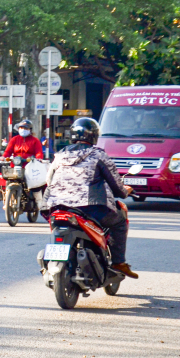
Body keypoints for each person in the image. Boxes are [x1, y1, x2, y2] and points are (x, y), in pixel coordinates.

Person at [44, 117, 138, 279]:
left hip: (56, 207)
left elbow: (48, 181)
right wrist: (125, 191)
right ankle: (118, 262)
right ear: (94, 136)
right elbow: (115, 184)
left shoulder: (59, 156)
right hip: (90, 208)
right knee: (120, 220)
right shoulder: (98, 155)